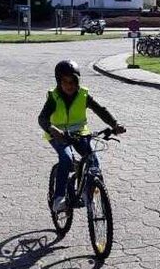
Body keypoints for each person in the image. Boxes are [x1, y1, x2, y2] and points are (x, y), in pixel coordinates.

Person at [37, 59, 125, 213]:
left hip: (80, 133)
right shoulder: (54, 97)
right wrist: (52, 129)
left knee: (93, 160)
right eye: (65, 82)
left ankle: (89, 192)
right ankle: (59, 199)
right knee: (66, 158)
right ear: (58, 82)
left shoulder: (83, 95)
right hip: (58, 135)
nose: (69, 85)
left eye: (73, 82)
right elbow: (42, 118)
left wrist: (114, 125)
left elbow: (100, 110)